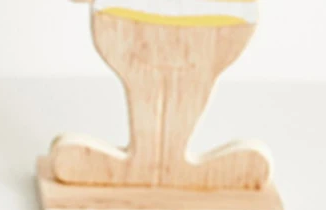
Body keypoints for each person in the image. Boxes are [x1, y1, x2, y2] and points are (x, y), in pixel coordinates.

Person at [51, 0, 271, 189]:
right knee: (153, 81)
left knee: (188, 83)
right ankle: (147, 159)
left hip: (216, 21)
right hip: (130, 18)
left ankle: (171, 161)